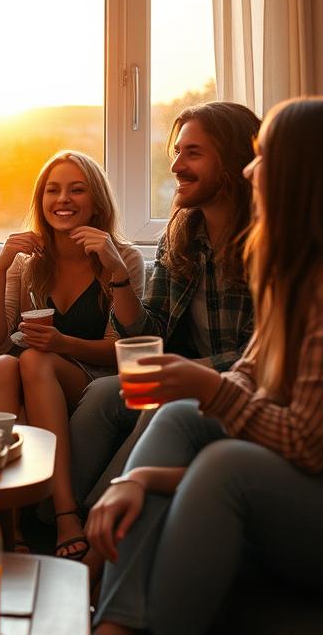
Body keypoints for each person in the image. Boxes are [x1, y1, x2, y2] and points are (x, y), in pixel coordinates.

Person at [86, 96, 323, 635]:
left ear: (300, 175)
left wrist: (206, 384)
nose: (253, 173)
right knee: (177, 415)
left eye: (263, 160)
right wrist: (143, 474)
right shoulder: (286, 267)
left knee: (218, 459)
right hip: (290, 480)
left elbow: (308, 445)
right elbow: (242, 377)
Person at [68, 101, 260, 513]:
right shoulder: (181, 236)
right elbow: (146, 336)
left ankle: (93, 525)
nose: (175, 166)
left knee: (161, 401)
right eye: (176, 152)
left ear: (234, 160)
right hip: (184, 373)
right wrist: (118, 275)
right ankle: (55, 517)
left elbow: (261, 357)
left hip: (243, 387)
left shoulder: (270, 245)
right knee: (101, 394)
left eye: (193, 153)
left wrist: (187, 373)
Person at [0, 150, 145, 559]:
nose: (62, 199)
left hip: (82, 376)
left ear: (96, 202)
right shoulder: (28, 263)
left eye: (76, 190)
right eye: (53, 190)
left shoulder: (122, 259)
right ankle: (8, 523)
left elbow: (124, 350)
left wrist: (61, 344)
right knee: (2, 364)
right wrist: (1, 266)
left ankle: (63, 510)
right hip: (15, 374)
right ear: (40, 200)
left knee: (33, 358)